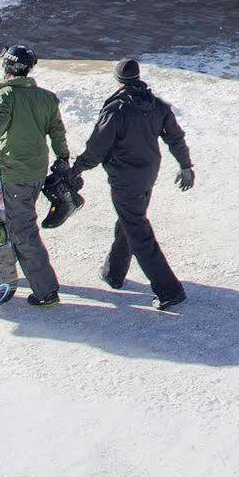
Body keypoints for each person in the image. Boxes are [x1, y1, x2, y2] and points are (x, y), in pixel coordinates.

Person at [72, 58, 195, 311]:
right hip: (147, 175)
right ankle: (113, 272)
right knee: (129, 220)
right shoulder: (158, 106)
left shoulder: (117, 110)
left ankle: (169, 290)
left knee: (138, 231)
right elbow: (176, 138)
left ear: (118, 80)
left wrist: (77, 169)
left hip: (125, 179)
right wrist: (186, 166)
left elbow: (96, 148)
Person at [0, 45, 69, 307]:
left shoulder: (5, 96)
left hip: (15, 172)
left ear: (6, 67)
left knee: (23, 229)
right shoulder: (46, 98)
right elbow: (57, 132)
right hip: (37, 171)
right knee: (20, 221)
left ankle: (46, 290)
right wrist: (63, 158)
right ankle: (21, 264)